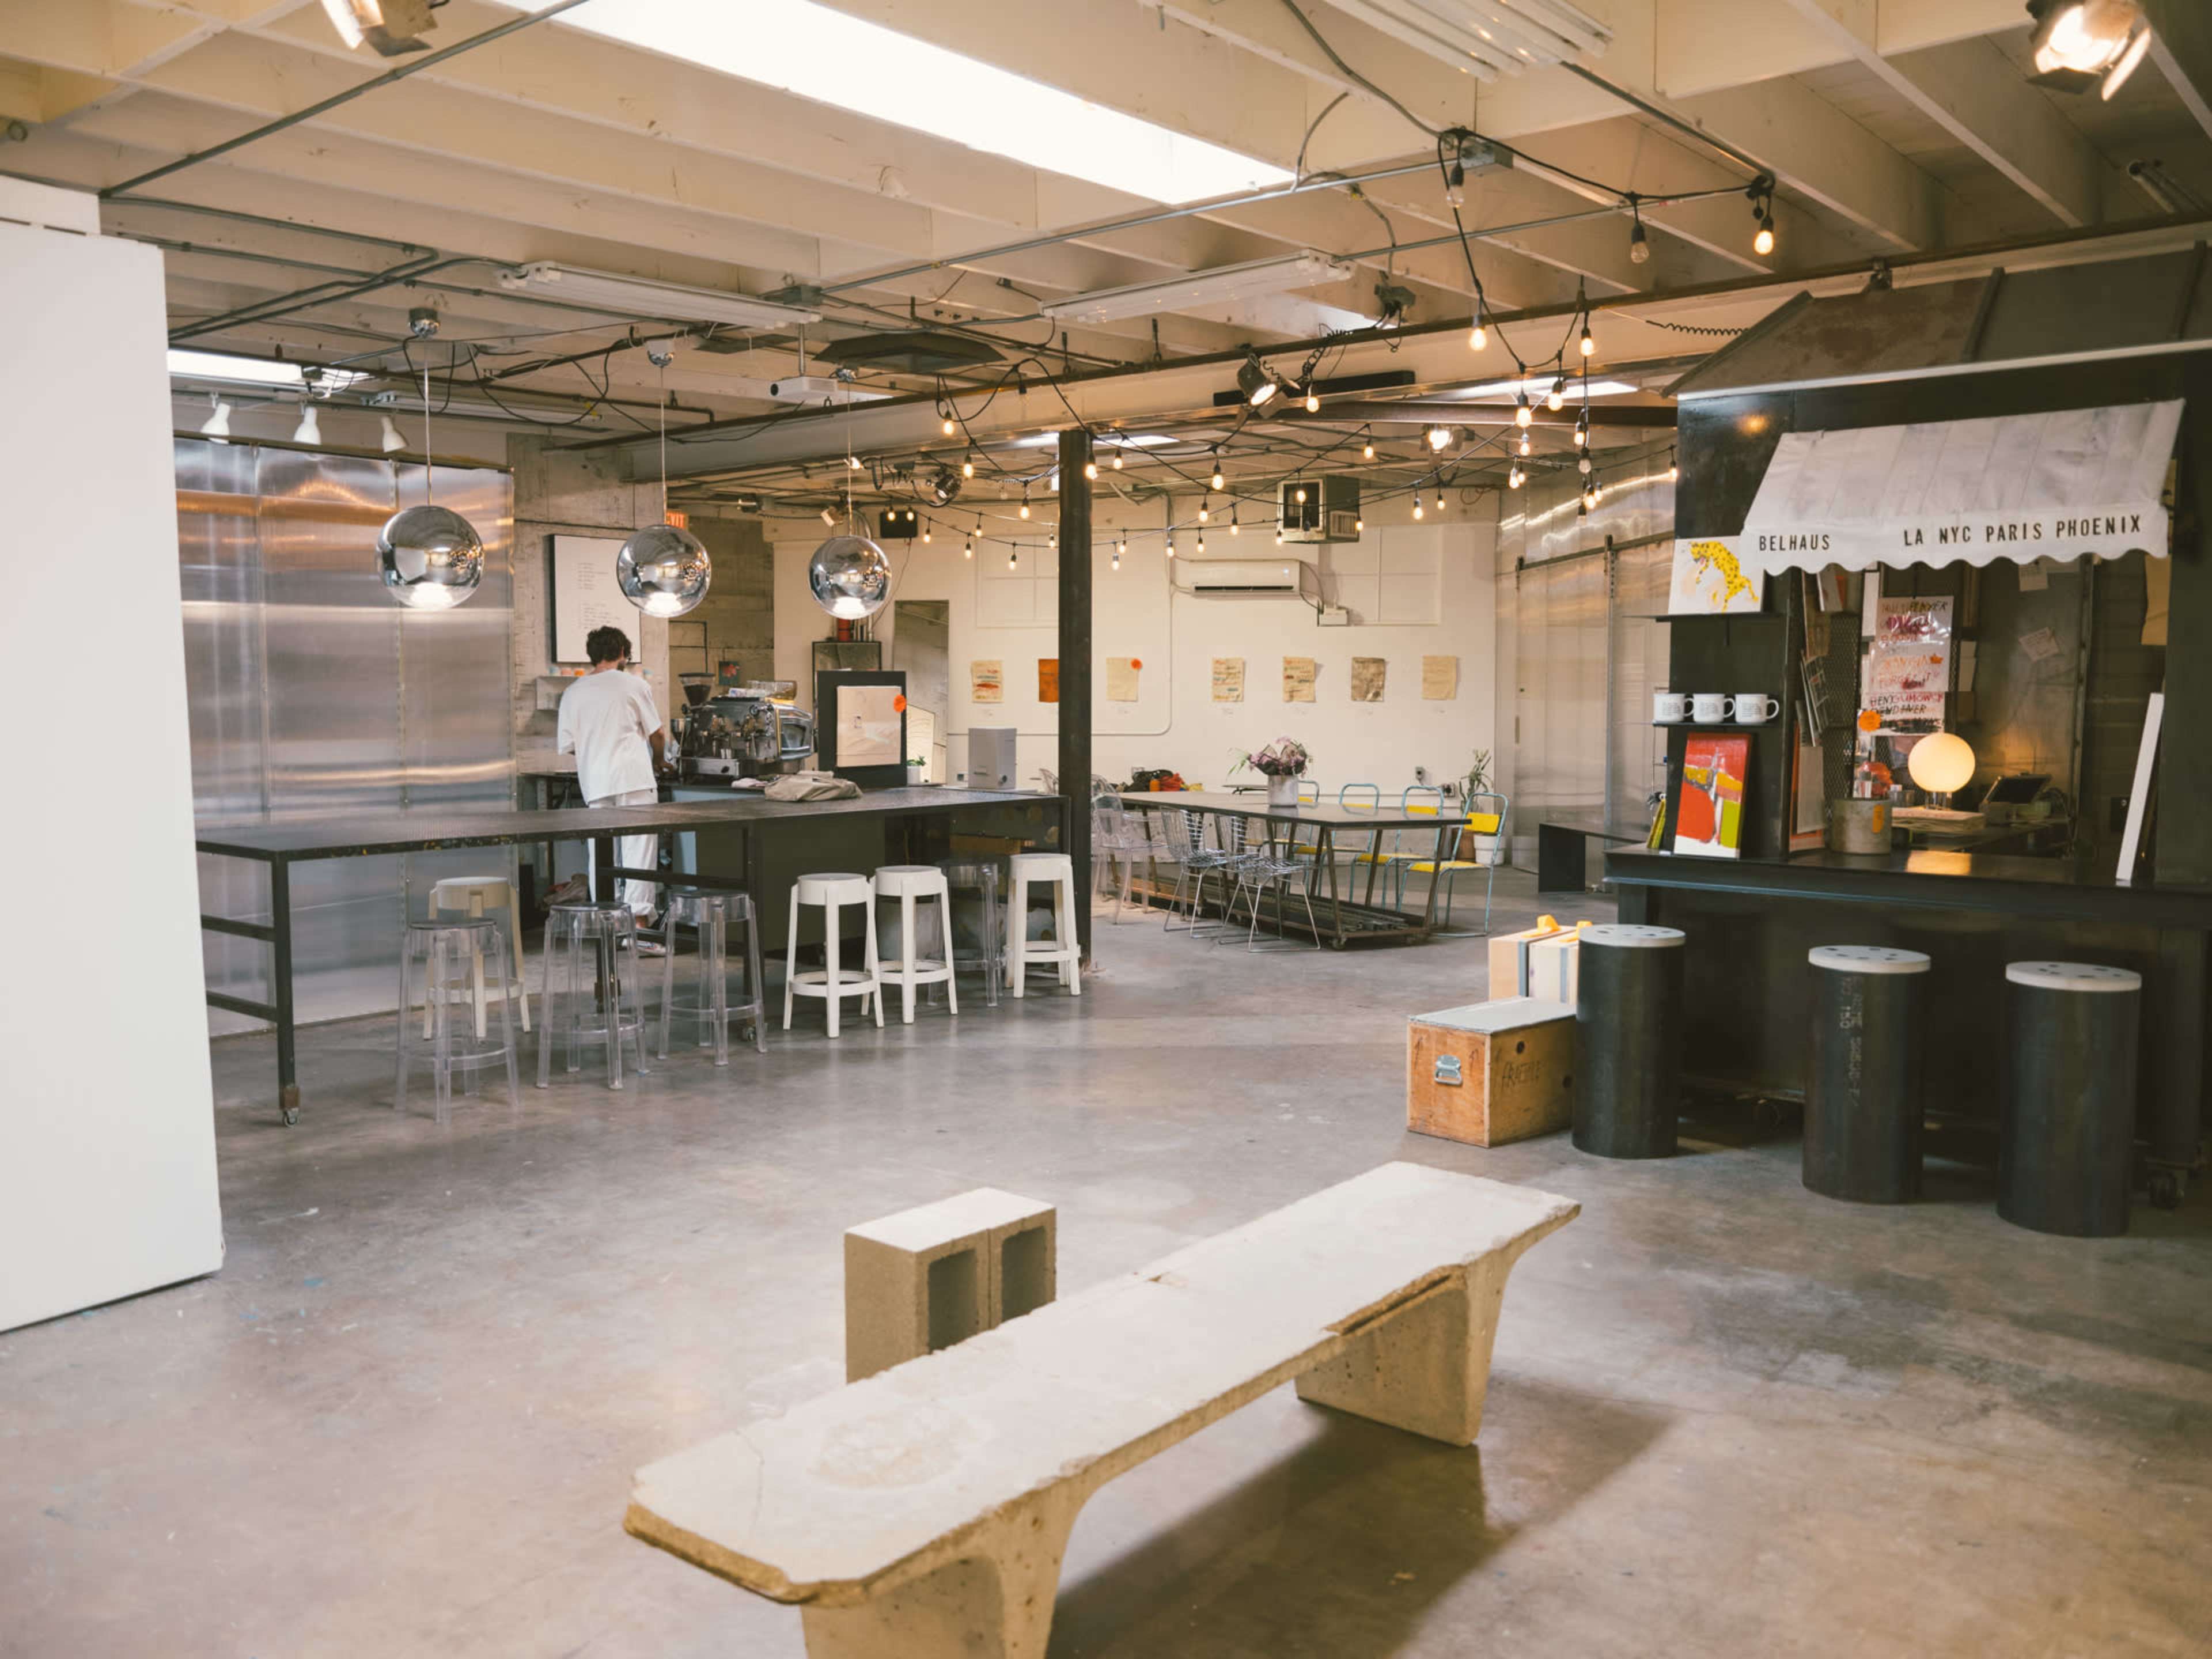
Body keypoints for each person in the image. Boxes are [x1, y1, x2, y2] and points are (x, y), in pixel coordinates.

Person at [556, 625, 668, 945]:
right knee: (639, 851)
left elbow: (571, 745)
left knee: (602, 854)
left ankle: (608, 922)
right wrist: (660, 761)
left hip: (596, 782)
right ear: (622, 652)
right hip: (634, 778)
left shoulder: (573, 692)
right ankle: (639, 926)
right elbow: (657, 735)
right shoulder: (634, 685)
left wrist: (597, 753)